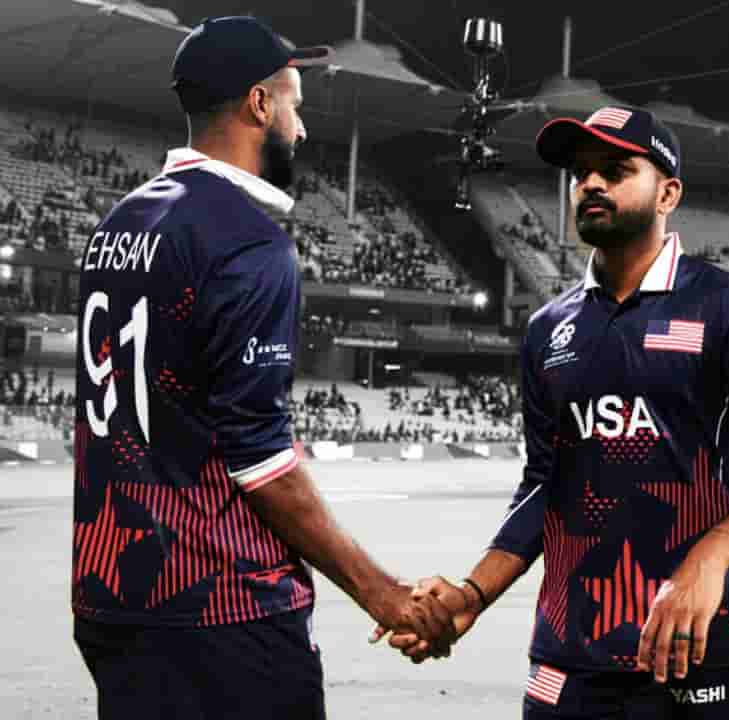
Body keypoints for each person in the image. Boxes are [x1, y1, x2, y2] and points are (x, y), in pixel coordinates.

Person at [71, 17, 457, 720]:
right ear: (258, 104)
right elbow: (261, 460)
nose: (301, 130)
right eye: (294, 106)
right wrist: (381, 591)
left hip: (111, 595)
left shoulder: (116, 225)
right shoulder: (246, 241)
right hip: (222, 607)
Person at [380, 106, 729, 719]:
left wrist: (713, 554)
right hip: (570, 652)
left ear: (668, 193)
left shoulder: (728, 305)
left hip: (697, 651)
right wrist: (472, 594)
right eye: (581, 173)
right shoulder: (547, 329)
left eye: (615, 171)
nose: (590, 183)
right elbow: (545, 483)